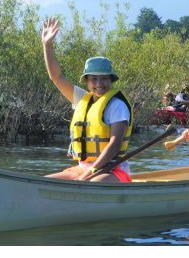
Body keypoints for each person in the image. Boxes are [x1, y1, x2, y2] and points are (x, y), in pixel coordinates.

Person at [41, 17, 134, 183]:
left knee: (94, 184)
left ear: (111, 80)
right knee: (44, 181)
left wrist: (91, 171)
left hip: (113, 170)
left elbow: (114, 145)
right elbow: (56, 77)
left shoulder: (117, 105)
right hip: (82, 168)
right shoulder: (82, 99)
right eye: (93, 79)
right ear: (87, 81)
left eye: (104, 79)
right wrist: (47, 45)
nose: (99, 84)